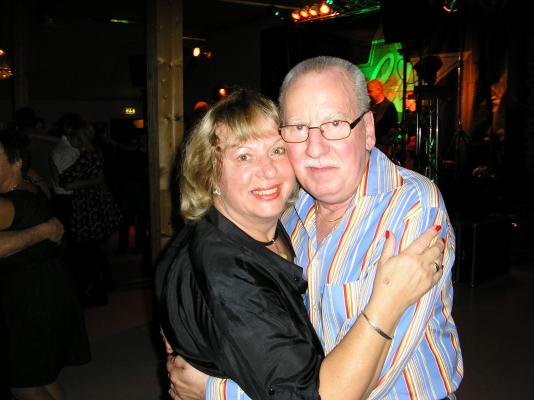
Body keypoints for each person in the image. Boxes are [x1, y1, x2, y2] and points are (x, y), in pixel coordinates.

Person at [168, 57, 463, 399]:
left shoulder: (412, 208)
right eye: (298, 128)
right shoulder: (288, 208)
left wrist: (214, 390)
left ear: (368, 130)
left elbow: (349, 390)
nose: (315, 148)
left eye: (334, 124)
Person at [0, 130, 91, 400]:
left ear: (16, 163)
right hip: (47, 288)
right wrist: (43, 231)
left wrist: (41, 231)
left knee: (23, 383)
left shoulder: (8, 203)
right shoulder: (33, 186)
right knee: (42, 376)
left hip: (30, 298)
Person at [58, 118, 122, 306]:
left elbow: (64, 180)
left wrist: (74, 181)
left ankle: (97, 292)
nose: (68, 139)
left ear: (79, 137)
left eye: (71, 136)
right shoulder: (95, 153)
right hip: (94, 205)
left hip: (88, 208)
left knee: (87, 253)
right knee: (93, 251)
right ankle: (104, 285)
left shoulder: (87, 156)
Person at [367, 79, 398, 157]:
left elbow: (392, 129)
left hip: (381, 147)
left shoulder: (389, 107)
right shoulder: (369, 106)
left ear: (379, 89)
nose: (368, 94)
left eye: (370, 91)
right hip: (369, 144)